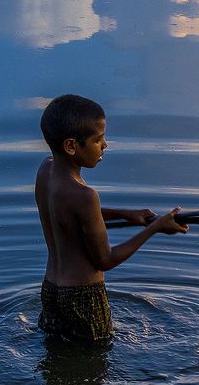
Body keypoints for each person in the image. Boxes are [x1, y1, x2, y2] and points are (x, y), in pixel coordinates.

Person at [35, 94, 188, 342]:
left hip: (51, 290)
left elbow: (70, 216)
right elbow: (105, 260)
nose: (105, 145)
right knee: (95, 370)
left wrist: (129, 216)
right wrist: (156, 228)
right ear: (72, 146)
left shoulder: (45, 171)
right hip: (83, 297)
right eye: (98, 139)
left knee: (58, 357)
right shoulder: (86, 195)